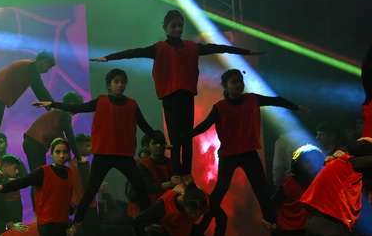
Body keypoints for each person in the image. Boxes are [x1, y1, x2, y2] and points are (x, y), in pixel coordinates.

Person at [94, 10, 260, 175]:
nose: (178, 29)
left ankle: (186, 174)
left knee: (187, 138)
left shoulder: (191, 47)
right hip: (170, 98)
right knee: (174, 140)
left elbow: (218, 48)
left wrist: (246, 52)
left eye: (180, 26)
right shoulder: (159, 48)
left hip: (186, 96)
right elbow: (134, 52)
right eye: (174, 26)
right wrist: (108, 58)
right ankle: (176, 174)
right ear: (165, 27)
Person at [42, 69, 164, 224]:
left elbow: (144, 125)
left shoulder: (132, 104)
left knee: (141, 187)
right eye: (116, 82)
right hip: (103, 155)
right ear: (109, 85)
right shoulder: (101, 101)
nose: (120, 85)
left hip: (124, 155)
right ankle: (76, 223)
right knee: (91, 190)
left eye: (123, 82)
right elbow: (78, 108)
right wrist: (53, 104)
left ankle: (149, 222)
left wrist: (161, 140)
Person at [191, 69, 300, 225]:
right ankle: (202, 225)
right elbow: (205, 125)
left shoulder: (252, 99)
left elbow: (276, 100)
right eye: (234, 81)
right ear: (226, 86)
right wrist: (186, 135)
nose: (239, 84)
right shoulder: (220, 107)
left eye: (240, 81)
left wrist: (296, 107)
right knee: (220, 191)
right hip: (229, 154)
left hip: (249, 153)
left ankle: (271, 223)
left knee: (261, 190)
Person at [0, 52, 58, 165]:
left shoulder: (29, 67)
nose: (47, 70)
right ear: (42, 61)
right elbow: (40, 90)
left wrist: (51, 108)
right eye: (47, 67)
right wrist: (54, 108)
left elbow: (40, 91)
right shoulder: (30, 68)